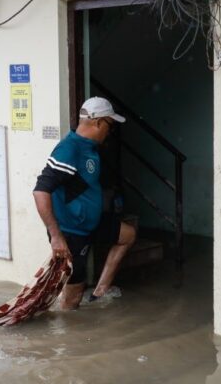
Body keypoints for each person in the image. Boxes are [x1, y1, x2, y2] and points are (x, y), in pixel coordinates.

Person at [33, 97, 137, 310]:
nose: (110, 131)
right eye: (110, 125)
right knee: (72, 299)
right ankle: (69, 340)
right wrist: (56, 236)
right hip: (72, 233)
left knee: (128, 235)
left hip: (91, 223)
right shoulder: (70, 149)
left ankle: (100, 292)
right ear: (98, 122)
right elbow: (40, 191)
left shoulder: (88, 147)